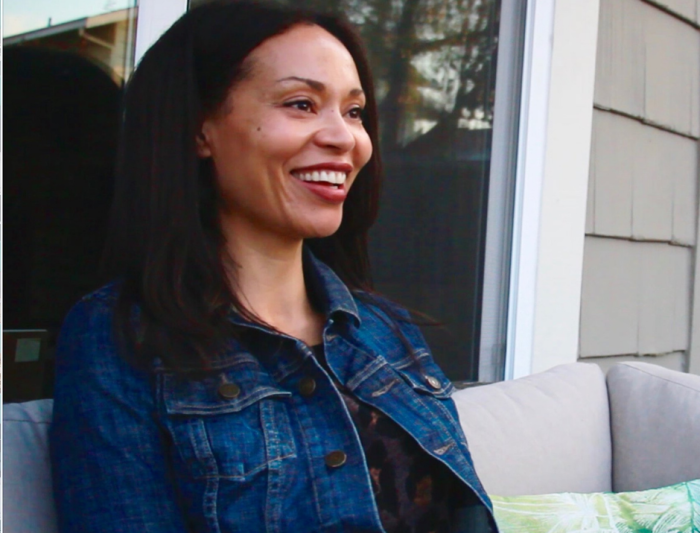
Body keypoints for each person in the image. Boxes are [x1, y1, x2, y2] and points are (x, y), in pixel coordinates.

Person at [49, 1, 498, 532]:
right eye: (302, 103)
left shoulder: (386, 331)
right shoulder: (120, 337)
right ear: (200, 129)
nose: (344, 138)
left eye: (353, 112)